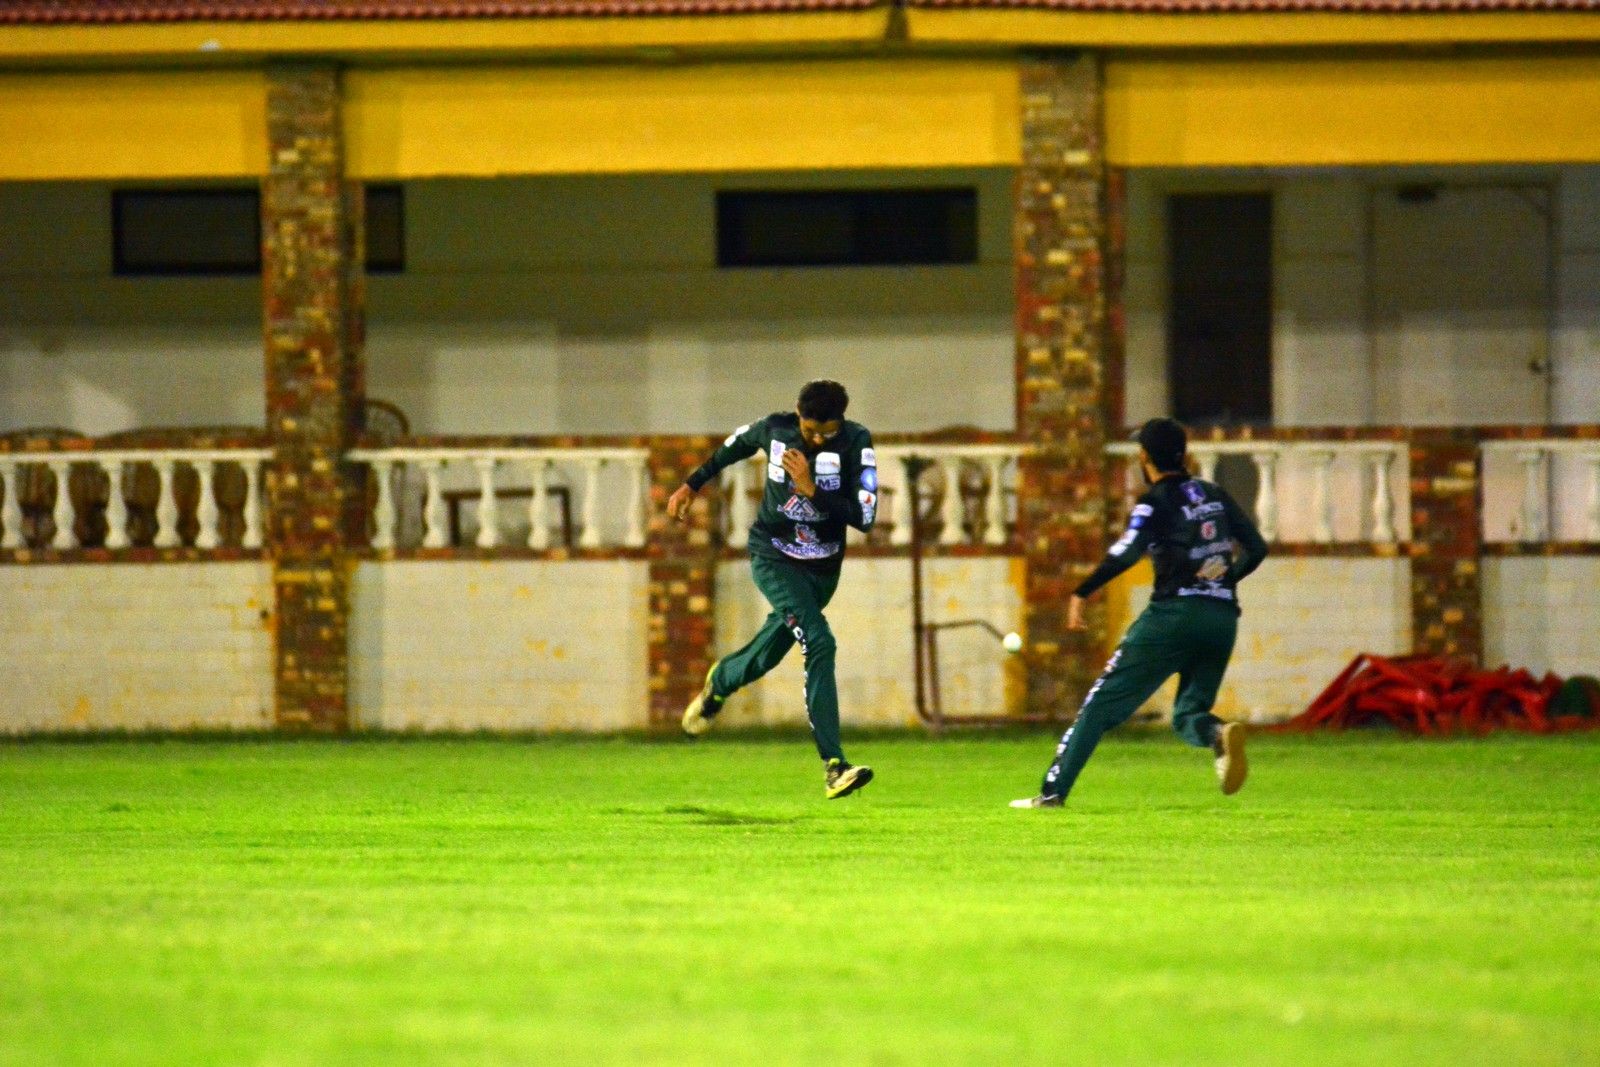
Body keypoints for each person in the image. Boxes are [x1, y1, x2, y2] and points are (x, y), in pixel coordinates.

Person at [1011, 417, 1268, 809]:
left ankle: (1052, 792)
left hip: (1173, 617)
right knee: (1189, 713)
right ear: (1184, 455)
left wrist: (1083, 591)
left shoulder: (1154, 502)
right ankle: (1217, 734)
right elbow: (1257, 548)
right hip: (1221, 618)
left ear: (1145, 457)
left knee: (1099, 704)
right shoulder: (1213, 494)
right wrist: (1226, 579)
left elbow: (1127, 551)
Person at [666, 380, 878, 799]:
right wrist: (691, 484)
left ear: (841, 422)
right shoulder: (775, 429)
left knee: (769, 651)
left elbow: (865, 517)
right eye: (810, 430)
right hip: (775, 558)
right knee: (819, 641)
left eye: (826, 434)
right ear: (798, 413)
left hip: (822, 569)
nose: (816, 440)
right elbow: (732, 448)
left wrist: (811, 489)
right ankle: (835, 765)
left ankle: (721, 681)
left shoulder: (856, 442)